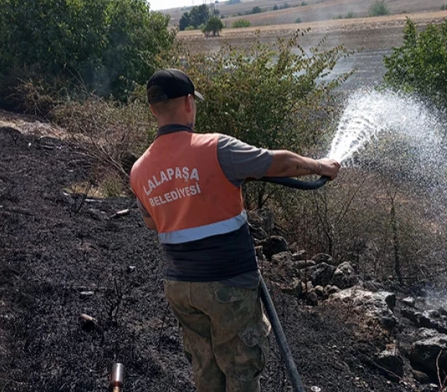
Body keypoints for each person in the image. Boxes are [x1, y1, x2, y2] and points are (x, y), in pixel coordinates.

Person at [129, 69, 340, 392]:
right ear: (188, 102)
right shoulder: (215, 148)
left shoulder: (140, 170)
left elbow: (152, 222)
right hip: (227, 283)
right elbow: (277, 163)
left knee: (206, 369)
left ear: (153, 108)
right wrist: (320, 166)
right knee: (241, 370)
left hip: (181, 288)